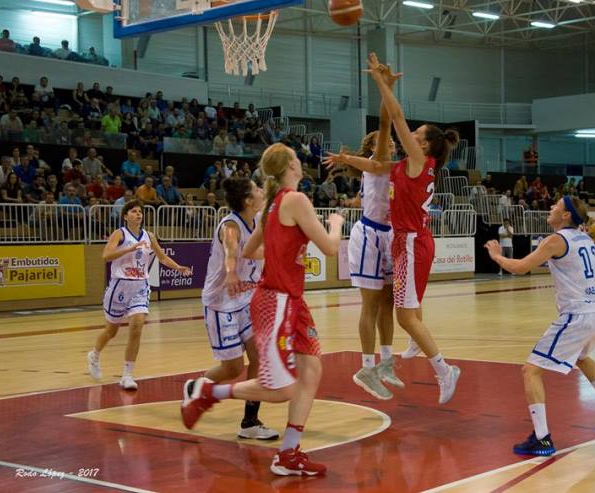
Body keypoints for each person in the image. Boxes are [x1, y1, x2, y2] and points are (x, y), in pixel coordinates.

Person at [181, 143, 344, 476]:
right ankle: (209, 391)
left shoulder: (271, 206)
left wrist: (284, 252)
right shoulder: (295, 200)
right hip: (277, 302)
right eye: (298, 161)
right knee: (283, 389)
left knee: (312, 371)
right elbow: (329, 247)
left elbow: (251, 252)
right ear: (290, 168)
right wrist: (338, 223)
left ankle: (288, 453)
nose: (302, 164)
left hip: (292, 302)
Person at [323, 53, 460, 405]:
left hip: (408, 240)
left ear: (424, 145)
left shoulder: (416, 161)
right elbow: (381, 146)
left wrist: (382, 83)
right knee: (396, 309)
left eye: (415, 135)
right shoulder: (402, 163)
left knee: (402, 313)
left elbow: (394, 119)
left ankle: (435, 359)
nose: (408, 136)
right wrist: (345, 159)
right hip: (397, 239)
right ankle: (393, 351)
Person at [484, 196, 595, 456]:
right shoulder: (585, 238)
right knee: (582, 357)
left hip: (579, 316)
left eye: (556, 206)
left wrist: (496, 256)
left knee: (530, 371)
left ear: (565, 216)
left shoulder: (555, 240)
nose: (550, 208)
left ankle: (541, 438)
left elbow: (520, 268)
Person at [186, 177, 278, 441]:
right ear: (248, 200)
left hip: (247, 301)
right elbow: (230, 248)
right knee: (232, 368)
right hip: (221, 303)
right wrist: (230, 271)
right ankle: (195, 387)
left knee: (259, 358)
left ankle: (249, 422)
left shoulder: (258, 220)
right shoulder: (230, 225)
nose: (261, 191)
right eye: (257, 189)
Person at [343, 72, 403, 400]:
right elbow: (385, 125)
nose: (392, 147)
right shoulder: (375, 161)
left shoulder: (392, 168)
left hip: (388, 235)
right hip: (368, 234)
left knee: (388, 304)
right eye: (388, 144)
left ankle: (387, 362)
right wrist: (386, 90)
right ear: (373, 149)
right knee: (369, 304)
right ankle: (367, 366)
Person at [88, 200, 190, 390]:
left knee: (137, 327)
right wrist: (128, 249)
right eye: (134, 211)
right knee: (111, 331)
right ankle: (94, 355)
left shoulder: (149, 236)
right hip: (119, 286)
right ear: (126, 216)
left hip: (140, 286)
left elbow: (162, 257)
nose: (138, 214)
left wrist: (178, 267)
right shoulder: (120, 234)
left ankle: (127, 375)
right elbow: (106, 256)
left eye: (140, 212)